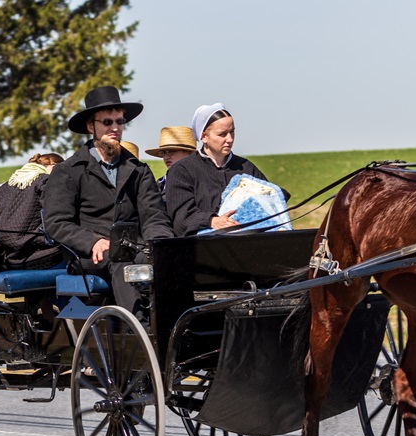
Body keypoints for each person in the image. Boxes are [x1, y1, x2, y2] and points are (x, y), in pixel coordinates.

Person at [42, 85, 173, 321]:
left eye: (119, 121)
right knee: (121, 264)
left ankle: (174, 326)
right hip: (89, 255)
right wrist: (93, 241)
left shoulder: (137, 170)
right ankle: (138, 330)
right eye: (107, 122)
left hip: (134, 246)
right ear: (91, 126)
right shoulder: (68, 171)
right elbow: (56, 222)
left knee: (169, 260)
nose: (115, 128)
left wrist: (160, 244)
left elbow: (154, 215)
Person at [165, 103, 289, 236]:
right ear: (204, 136)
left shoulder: (246, 167)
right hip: (202, 249)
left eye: (232, 132)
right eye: (222, 134)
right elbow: (181, 217)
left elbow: (269, 199)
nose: (229, 139)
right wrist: (212, 221)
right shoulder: (182, 170)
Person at [0, 152, 64, 269]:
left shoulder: (6, 186)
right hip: (38, 256)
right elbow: (57, 216)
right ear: (55, 168)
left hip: (8, 257)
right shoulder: (45, 182)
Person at [145, 126, 196, 195]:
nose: (166, 157)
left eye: (171, 151)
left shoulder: (201, 180)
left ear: (189, 153)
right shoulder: (160, 184)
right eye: (163, 153)